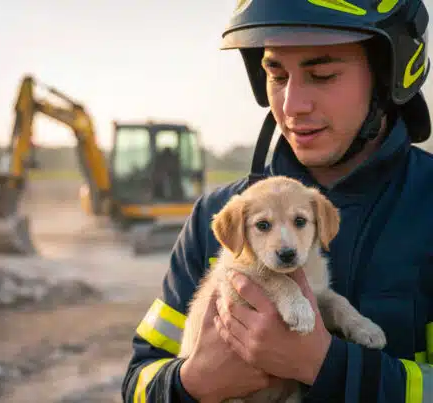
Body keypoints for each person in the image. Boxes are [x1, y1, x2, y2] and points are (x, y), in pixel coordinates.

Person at [121, 0, 433, 402]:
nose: (291, 106)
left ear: (388, 76)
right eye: (276, 74)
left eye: (322, 75)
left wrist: (327, 366)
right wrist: (191, 383)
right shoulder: (216, 216)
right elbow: (138, 382)